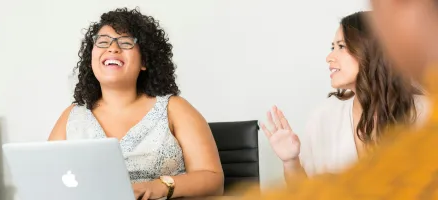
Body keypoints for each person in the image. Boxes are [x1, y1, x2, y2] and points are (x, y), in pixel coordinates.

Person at [241, 0, 438, 198]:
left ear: (371, 50)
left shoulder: (424, 112)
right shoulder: (323, 117)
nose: (329, 57)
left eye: (341, 46)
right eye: (332, 47)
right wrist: (290, 160)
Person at [48, 8, 224, 200]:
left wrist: (159, 187)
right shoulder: (72, 117)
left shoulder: (175, 109)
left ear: (144, 61)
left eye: (125, 43)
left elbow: (213, 180)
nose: (112, 48)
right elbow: (44, 180)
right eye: (103, 42)